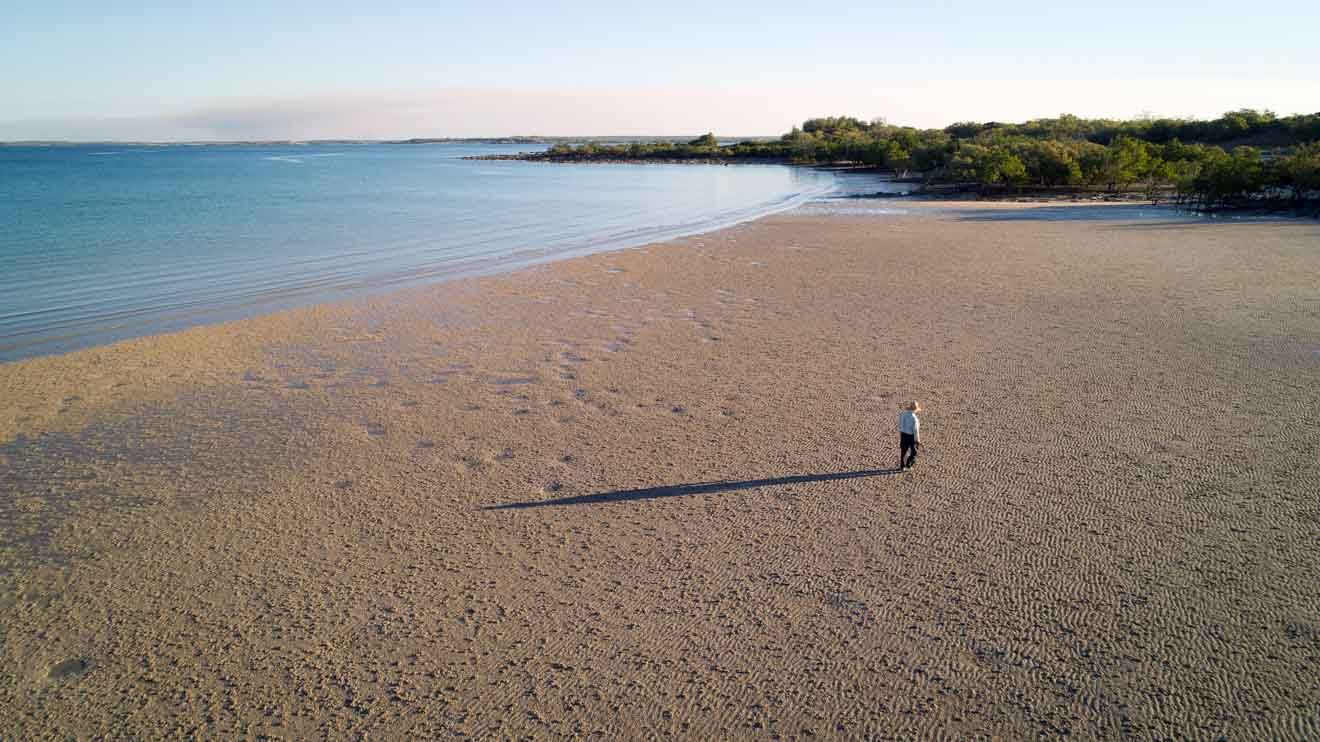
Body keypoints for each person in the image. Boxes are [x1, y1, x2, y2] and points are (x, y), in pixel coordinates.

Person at [898, 401, 922, 470]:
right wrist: (917, 440)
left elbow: (900, 424)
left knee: (903, 451)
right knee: (914, 452)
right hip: (911, 436)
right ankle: (909, 464)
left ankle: (902, 466)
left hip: (903, 435)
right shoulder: (914, 418)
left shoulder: (903, 414)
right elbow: (915, 430)